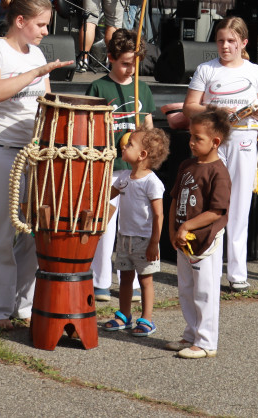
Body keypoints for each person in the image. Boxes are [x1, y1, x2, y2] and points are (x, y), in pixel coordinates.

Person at [0, 0, 73, 330]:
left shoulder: (37, 53)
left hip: (34, 154)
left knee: (35, 232)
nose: (46, 31)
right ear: (20, 21)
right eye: (41, 24)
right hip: (1, 150)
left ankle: (23, 305)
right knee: (1, 232)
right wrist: (37, 72)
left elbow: (44, 102)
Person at [183, 17, 258, 292]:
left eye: (231, 41)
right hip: (213, 141)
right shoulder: (206, 69)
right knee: (207, 201)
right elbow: (189, 107)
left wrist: (257, 111)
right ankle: (203, 264)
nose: (225, 46)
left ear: (243, 43)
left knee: (239, 206)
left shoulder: (255, 70)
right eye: (221, 40)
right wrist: (215, 110)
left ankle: (237, 274)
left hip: (244, 139)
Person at [87, 29, 155, 302]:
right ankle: (100, 281)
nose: (130, 69)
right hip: (108, 167)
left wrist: (147, 154)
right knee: (106, 225)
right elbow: (88, 129)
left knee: (135, 226)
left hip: (135, 170)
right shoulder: (98, 87)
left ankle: (134, 280)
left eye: (135, 63)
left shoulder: (143, 88)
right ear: (111, 58)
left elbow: (149, 130)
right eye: (125, 63)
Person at [166, 108, 232, 359]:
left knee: (205, 290)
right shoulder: (187, 165)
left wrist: (186, 227)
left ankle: (206, 342)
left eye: (198, 138)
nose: (192, 142)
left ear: (215, 142)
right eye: (190, 136)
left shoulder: (218, 172)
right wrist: (174, 229)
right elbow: (174, 199)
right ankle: (191, 333)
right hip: (183, 241)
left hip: (205, 242)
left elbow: (216, 211)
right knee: (186, 289)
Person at [101, 127, 170, 337]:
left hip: (144, 240)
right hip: (124, 238)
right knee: (125, 277)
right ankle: (124, 314)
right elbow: (106, 198)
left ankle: (147, 319)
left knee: (145, 280)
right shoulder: (123, 177)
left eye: (129, 144)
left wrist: (154, 243)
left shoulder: (152, 183)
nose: (124, 145)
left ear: (142, 155)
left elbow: (159, 216)